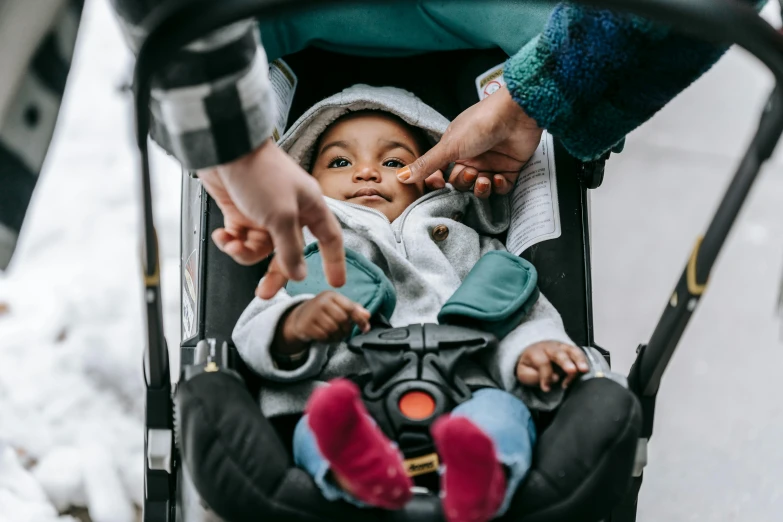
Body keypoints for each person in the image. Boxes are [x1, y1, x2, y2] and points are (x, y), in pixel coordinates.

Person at [232, 85, 591, 522]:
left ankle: (480, 479)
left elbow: (517, 310)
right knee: (319, 423)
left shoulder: (466, 242)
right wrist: (292, 328)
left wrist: (533, 351)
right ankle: (361, 470)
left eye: (394, 161)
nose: (366, 172)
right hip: (351, 397)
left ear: (432, 174)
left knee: (503, 414)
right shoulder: (305, 253)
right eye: (341, 162)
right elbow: (252, 333)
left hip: (466, 395)